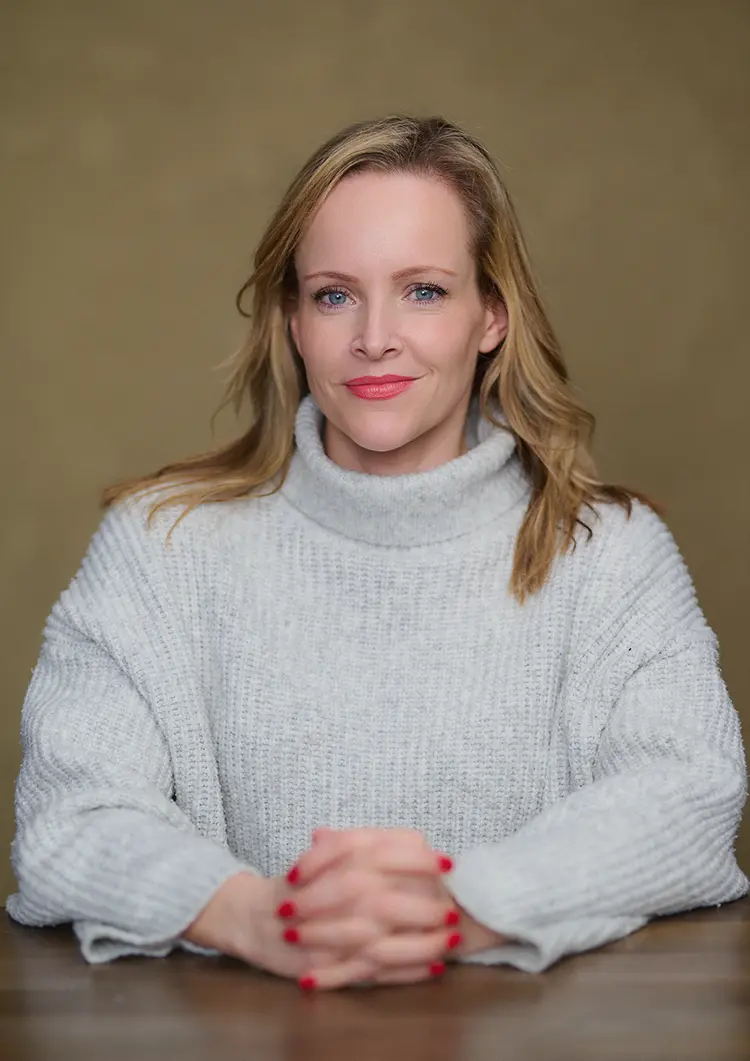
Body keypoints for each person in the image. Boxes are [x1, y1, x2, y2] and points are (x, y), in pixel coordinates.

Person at [7, 114, 748, 993]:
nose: (374, 337)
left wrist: (457, 909)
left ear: (492, 315)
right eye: (334, 295)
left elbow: (687, 796)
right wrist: (259, 918)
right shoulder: (158, 544)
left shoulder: (609, 552)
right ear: (293, 320)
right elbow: (70, 817)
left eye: (424, 290)